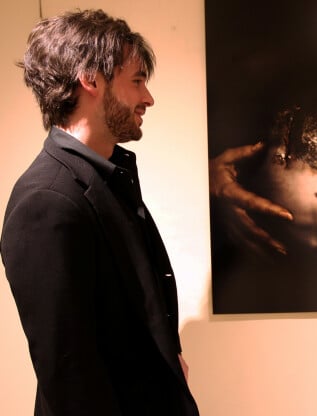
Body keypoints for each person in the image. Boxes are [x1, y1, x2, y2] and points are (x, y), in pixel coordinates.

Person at [1, 9, 199, 415]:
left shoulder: (105, 178)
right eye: (137, 81)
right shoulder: (46, 200)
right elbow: (70, 374)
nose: (148, 98)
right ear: (90, 79)